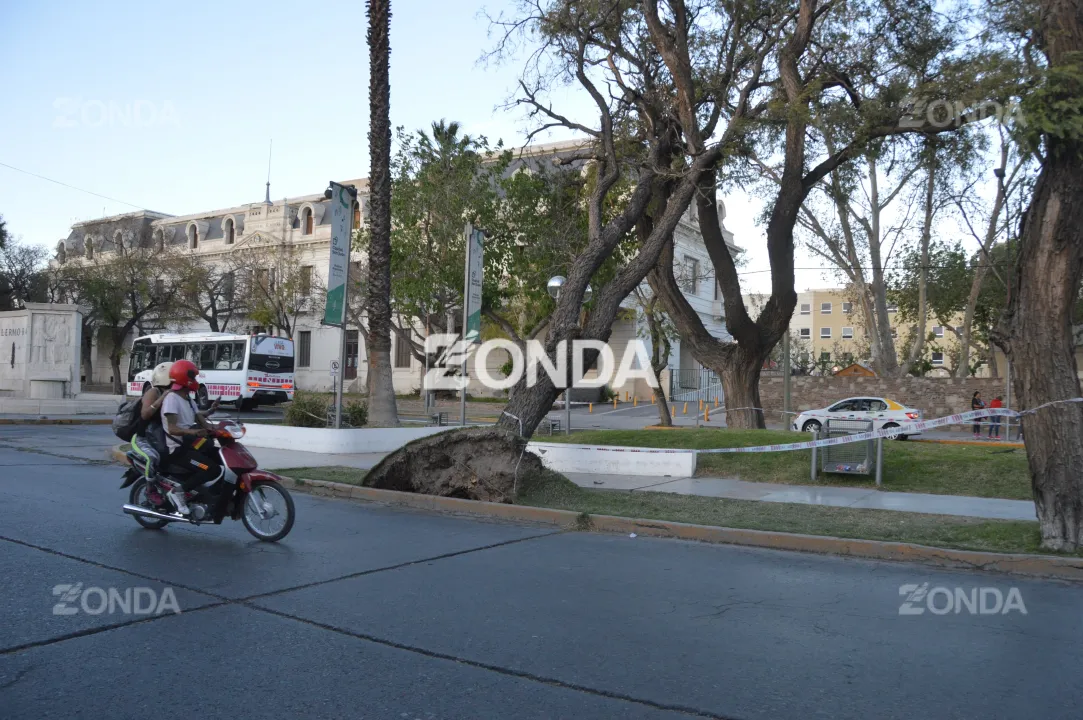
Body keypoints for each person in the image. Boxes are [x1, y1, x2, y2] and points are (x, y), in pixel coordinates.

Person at [160, 359, 222, 515]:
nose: (195, 381)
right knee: (211, 469)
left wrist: (215, 424)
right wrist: (193, 432)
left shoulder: (187, 398)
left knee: (222, 458)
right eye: (193, 377)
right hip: (178, 449)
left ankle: (208, 495)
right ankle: (178, 492)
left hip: (192, 445)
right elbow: (173, 429)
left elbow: (200, 419)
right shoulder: (172, 399)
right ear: (183, 377)